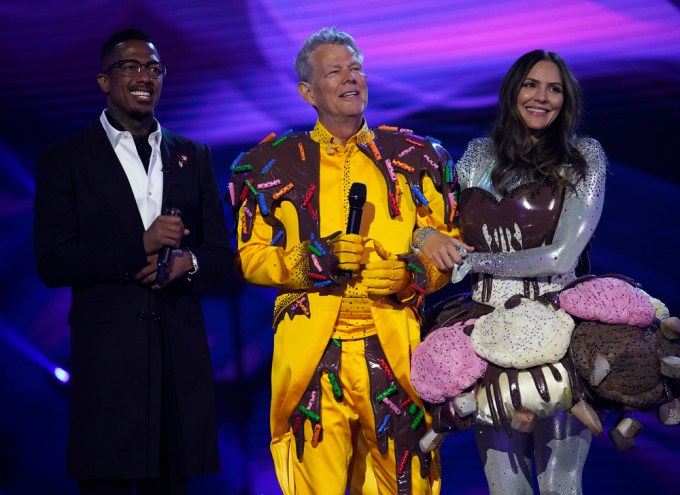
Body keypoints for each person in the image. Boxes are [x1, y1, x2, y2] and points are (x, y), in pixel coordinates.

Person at [229, 27, 468, 495]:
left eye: (355, 67)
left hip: (394, 348)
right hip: (314, 357)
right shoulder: (270, 164)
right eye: (334, 71)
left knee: (409, 484)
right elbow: (248, 258)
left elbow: (450, 250)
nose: (349, 78)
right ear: (307, 91)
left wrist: (409, 274)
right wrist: (312, 260)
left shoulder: (415, 159)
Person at [33, 28, 232, 495]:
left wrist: (190, 263)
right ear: (104, 80)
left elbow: (222, 257)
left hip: (177, 358)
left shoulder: (192, 156)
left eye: (154, 68)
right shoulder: (66, 159)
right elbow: (53, 262)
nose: (145, 76)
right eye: (131, 66)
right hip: (109, 365)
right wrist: (139, 245)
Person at [414, 50, 608, 494]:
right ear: (512, 92)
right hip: (486, 330)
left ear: (566, 100)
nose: (542, 97)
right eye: (531, 85)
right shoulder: (477, 155)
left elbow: (561, 257)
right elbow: (423, 220)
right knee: (504, 485)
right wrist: (423, 238)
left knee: (560, 481)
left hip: (557, 326)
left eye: (554, 88)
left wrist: (473, 261)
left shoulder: (583, 156)